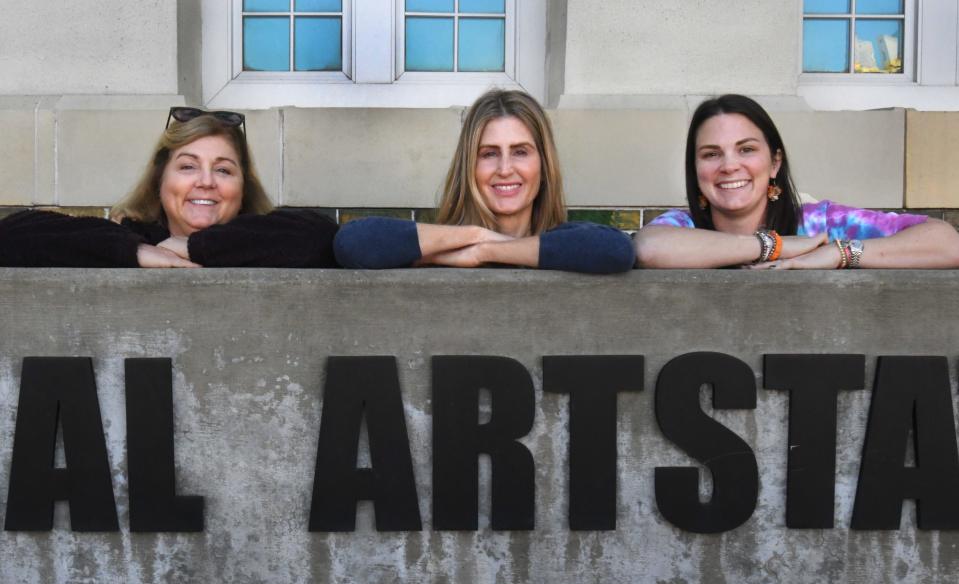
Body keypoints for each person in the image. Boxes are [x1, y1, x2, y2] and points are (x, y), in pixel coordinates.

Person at [634, 94, 959, 269]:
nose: (730, 165)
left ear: (775, 162)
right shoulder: (683, 225)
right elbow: (647, 248)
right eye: (711, 154)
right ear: (695, 168)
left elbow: (947, 244)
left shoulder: (820, 223)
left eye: (746, 149)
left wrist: (839, 253)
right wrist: (775, 247)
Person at [333, 90, 635, 273]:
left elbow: (617, 251)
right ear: (469, 165)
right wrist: (475, 236)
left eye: (520, 152)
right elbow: (352, 243)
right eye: (489, 154)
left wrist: (487, 251)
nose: (505, 169)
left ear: (544, 164)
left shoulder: (567, 244)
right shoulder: (438, 249)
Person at [0, 107, 338, 268]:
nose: (205, 181)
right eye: (188, 166)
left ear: (242, 186)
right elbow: (11, 236)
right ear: (160, 181)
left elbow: (324, 238)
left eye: (223, 170)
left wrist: (196, 247)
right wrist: (136, 251)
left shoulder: (277, 239)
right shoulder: (129, 237)